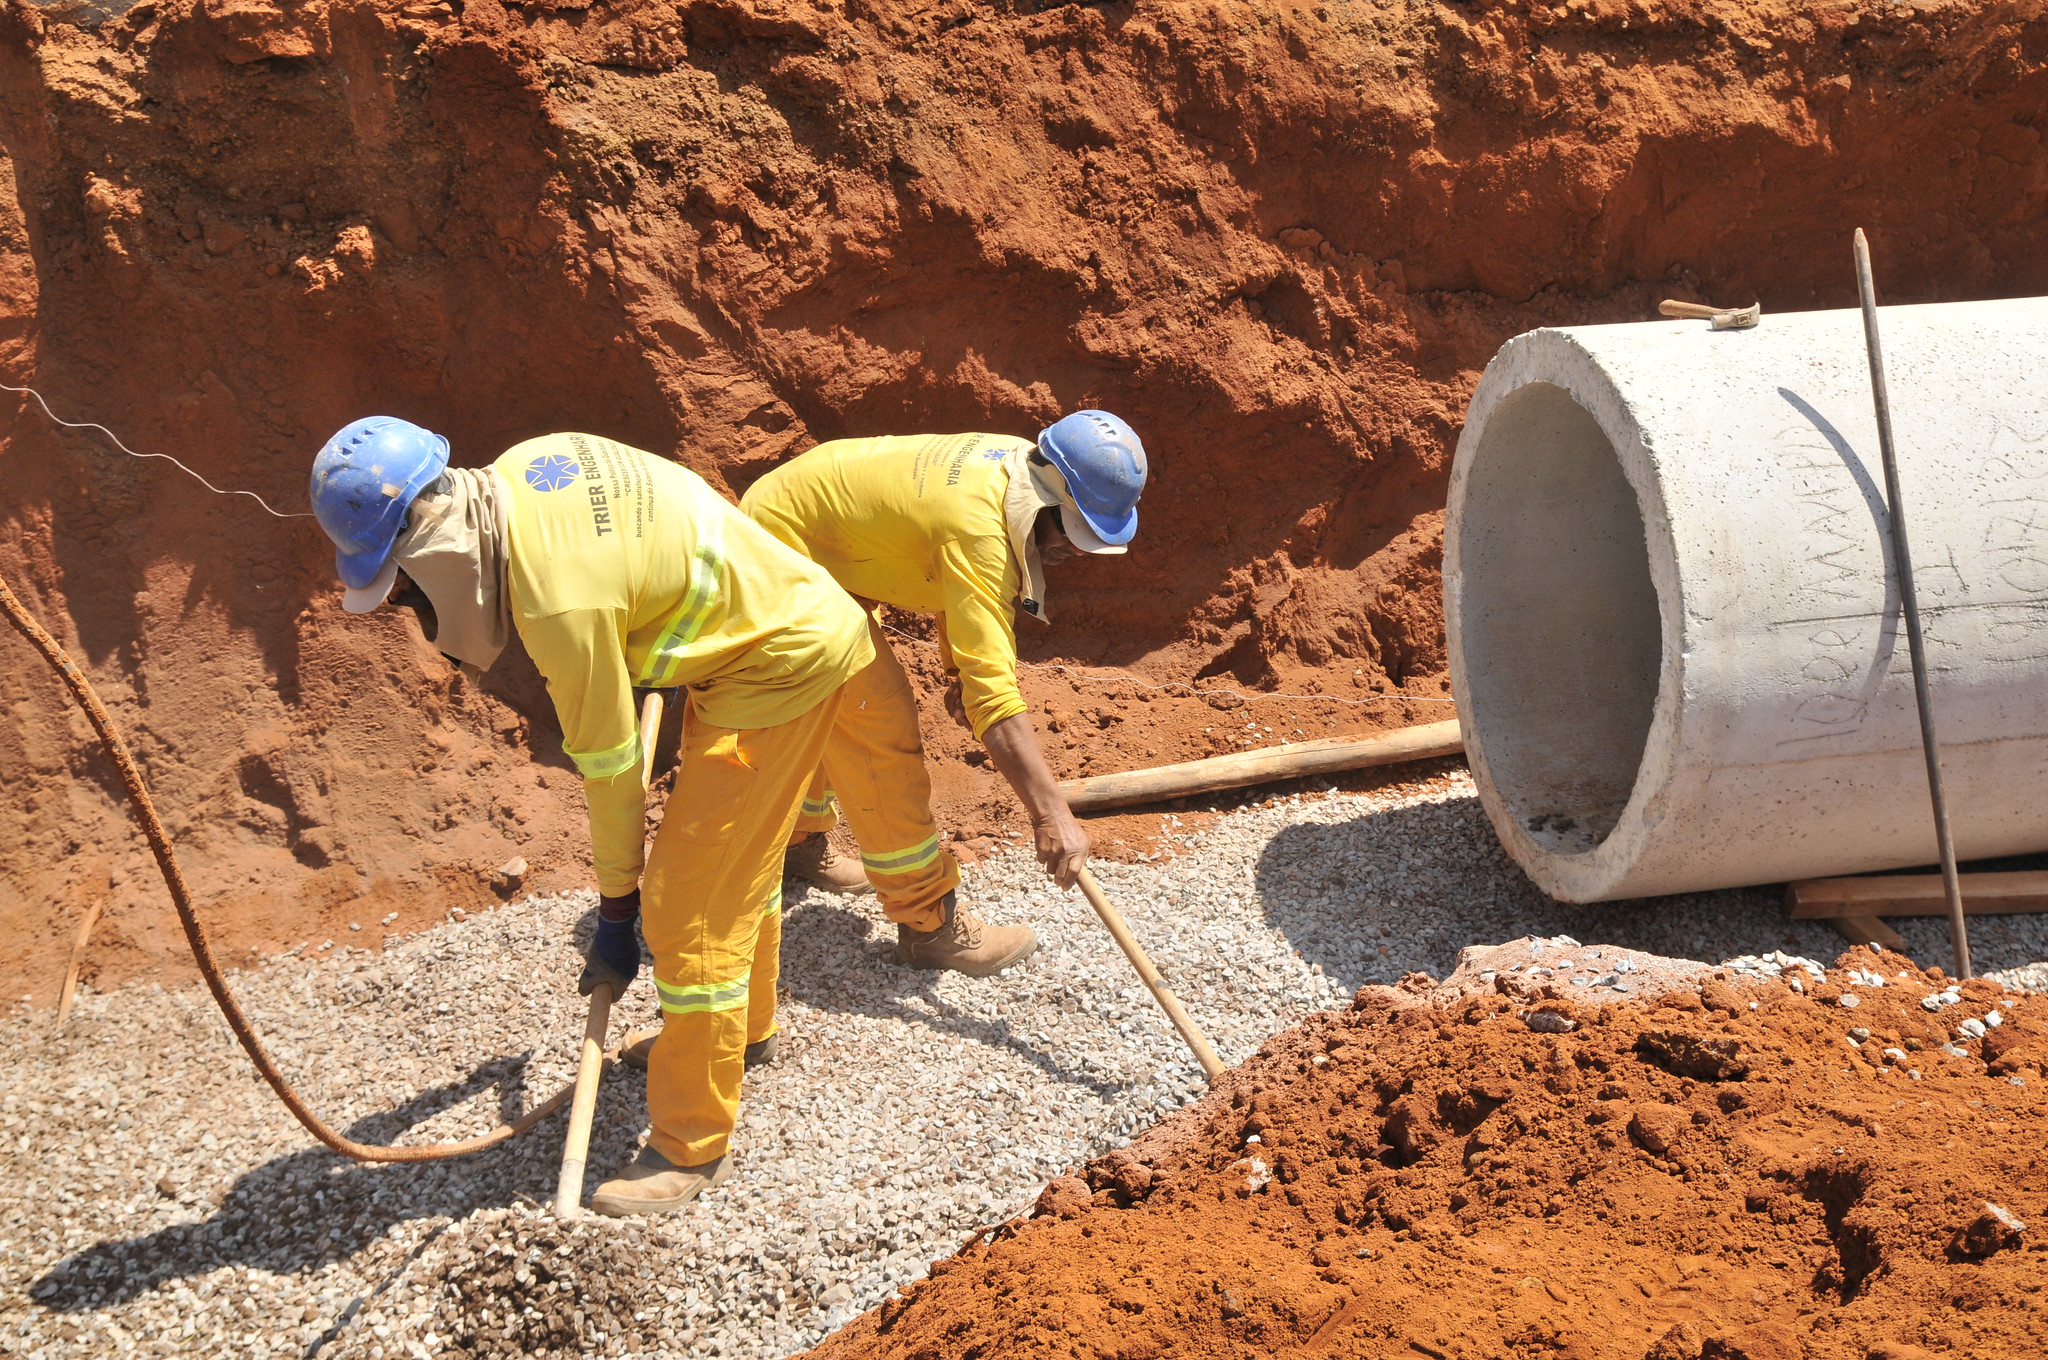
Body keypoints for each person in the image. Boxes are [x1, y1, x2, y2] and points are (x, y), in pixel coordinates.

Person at [310, 418, 873, 1216]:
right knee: (736, 860)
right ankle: (742, 1036)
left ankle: (689, 1144)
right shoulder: (525, 461)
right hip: (763, 631)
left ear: (428, 548)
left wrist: (618, 907)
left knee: (689, 902)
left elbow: (612, 773)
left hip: (781, 660)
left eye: (401, 587)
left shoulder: (557, 605)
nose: (408, 606)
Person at [741, 410, 1147, 975]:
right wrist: (1051, 813)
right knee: (874, 720)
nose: (1076, 552)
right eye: (1076, 533)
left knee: (833, 701)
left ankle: (800, 845)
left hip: (815, 528)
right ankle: (929, 924)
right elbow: (994, 695)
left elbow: (940, 562)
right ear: (1053, 501)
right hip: (778, 551)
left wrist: (958, 667)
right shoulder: (982, 531)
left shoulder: (1021, 464)